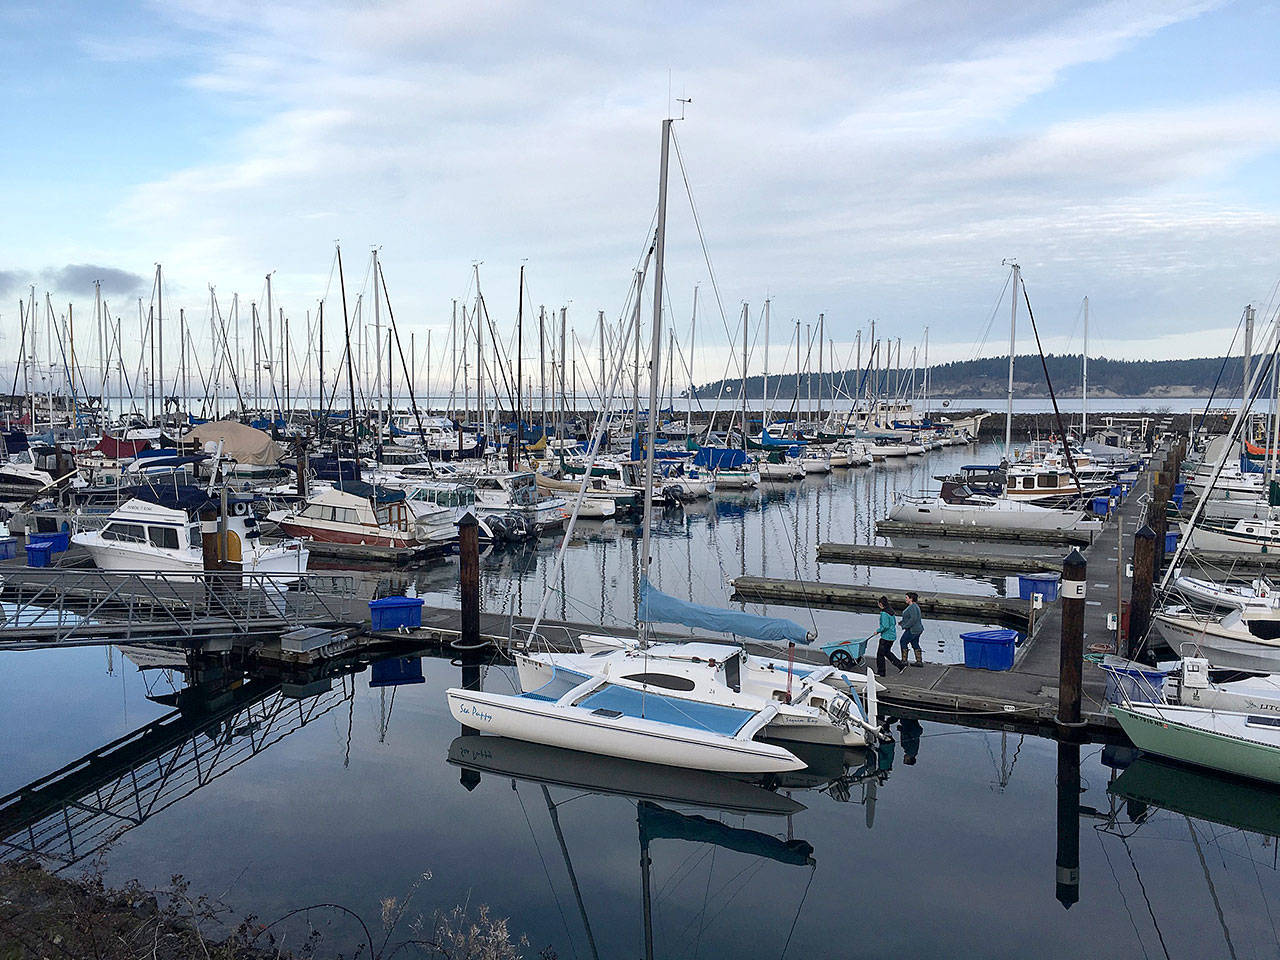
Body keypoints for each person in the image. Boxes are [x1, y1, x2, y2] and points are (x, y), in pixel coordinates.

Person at [874, 595, 906, 677]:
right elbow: (893, 623)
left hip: (886, 637)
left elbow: (885, 626)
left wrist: (877, 631)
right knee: (887, 653)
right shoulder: (891, 612)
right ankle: (900, 665)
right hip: (892, 636)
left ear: (881, 604)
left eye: (878, 604)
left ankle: (881, 672)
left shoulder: (884, 613)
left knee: (880, 655)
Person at [899, 591, 925, 668]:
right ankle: (919, 661)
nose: (905, 599)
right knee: (915, 643)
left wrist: (905, 626)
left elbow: (913, 619)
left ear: (911, 599)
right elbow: (912, 618)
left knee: (903, 641)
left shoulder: (912, 607)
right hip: (918, 629)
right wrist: (902, 622)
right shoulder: (915, 606)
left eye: (906, 598)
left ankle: (904, 661)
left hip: (912, 630)